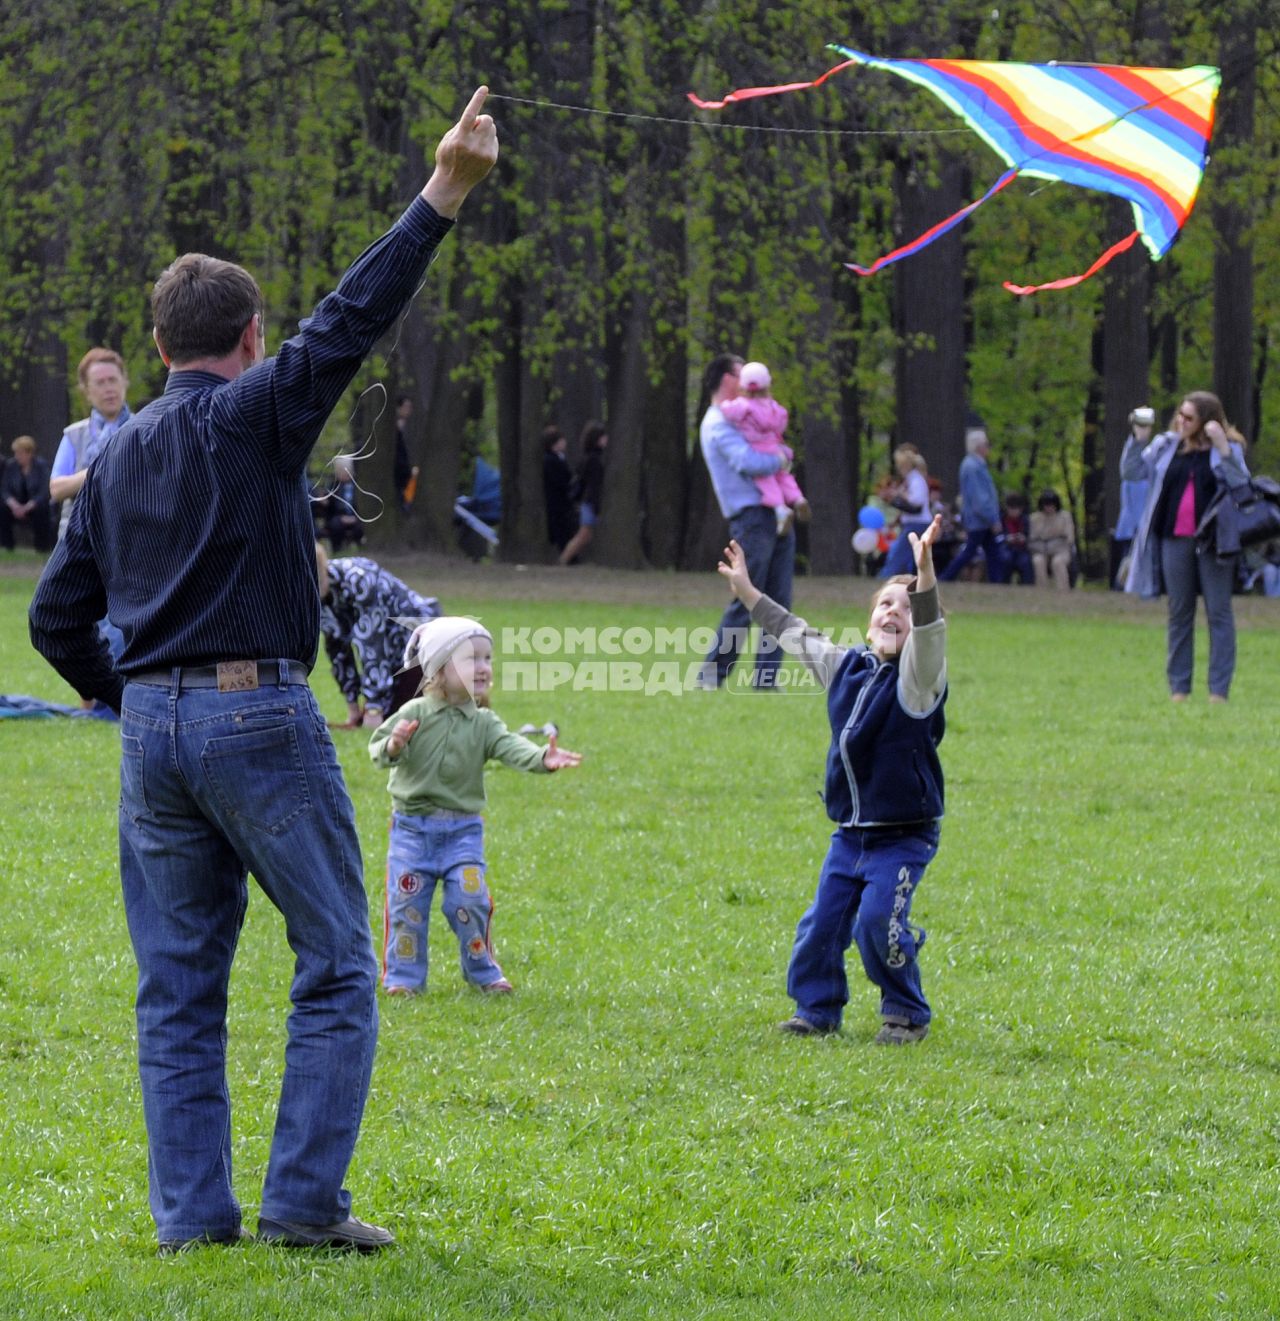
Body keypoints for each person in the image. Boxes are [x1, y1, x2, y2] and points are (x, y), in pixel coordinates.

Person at [28, 85, 498, 1255]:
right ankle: (300, 1205)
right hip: (257, 716)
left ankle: (193, 1223)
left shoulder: (118, 452)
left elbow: (54, 614)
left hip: (152, 737)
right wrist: (445, 187)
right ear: (247, 344)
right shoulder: (255, 418)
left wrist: (119, 689)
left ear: (155, 347)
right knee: (338, 955)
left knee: (176, 988)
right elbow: (352, 316)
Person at [717, 515, 947, 1043]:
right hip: (849, 835)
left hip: (903, 836)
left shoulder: (918, 683)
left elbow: (931, 638)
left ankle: (905, 1011)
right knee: (820, 929)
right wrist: (750, 592)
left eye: (907, 609)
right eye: (886, 603)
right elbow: (796, 635)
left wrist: (925, 577)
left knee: (877, 925)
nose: (895, 611)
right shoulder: (846, 667)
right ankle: (817, 1010)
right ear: (869, 621)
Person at [369, 617, 581, 995]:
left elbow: (510, 746)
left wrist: (539, 759)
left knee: (470, 902)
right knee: (407, 906)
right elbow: (378, 749)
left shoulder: (483, 722)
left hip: (462, 833)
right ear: (438, 668)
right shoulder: (414, 714)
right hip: (412, 831)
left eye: (487, 658)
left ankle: (483, 971)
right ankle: (403, 979)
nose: (483, 667)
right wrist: (394, 746)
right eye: (471, 659)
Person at [1123, 390, 1250, 702]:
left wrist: (1222, 447)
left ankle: (1218, 691)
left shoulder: (1227, 448)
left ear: (1207, 421)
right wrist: (1139, 439)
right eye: (1180, 414)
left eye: (1189, 417)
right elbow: (1132, 471)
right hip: (1173, 539)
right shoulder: (1167, 446)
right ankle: (1179, 689)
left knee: (1218, 613)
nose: (1181, 421)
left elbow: (1242, 487)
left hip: (1214, 542)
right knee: (1179, 612)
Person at [698, 353, 793, 687]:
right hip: (752, 518)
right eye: (741, 374)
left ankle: (766, 678)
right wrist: (781, 457)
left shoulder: (742, 419)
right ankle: (711, 674)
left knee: (778, 600)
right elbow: (748, 461)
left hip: (774, 513)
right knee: (745, 599)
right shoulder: (717, 422)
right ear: (727, 380)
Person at [317, 543, 441, 728]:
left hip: (422, 645)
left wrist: (374, 709)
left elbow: (373, 644)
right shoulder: (314, 598)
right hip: (391, 656)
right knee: (381, 721)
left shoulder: (358, 579)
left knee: (405, 720)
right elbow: (337, 649)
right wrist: (353, 708)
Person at [718, 361, 810, 537]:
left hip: (758, 448)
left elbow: (728, 412)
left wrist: (723, 404)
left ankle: (780, 508)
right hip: (775, 447)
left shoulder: (743, 404)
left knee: (766, 481)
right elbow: (781, 423)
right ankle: (798, 499)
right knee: (784, 477)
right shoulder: (773, 406)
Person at [48, 348, 132, 541]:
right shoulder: (74, 434)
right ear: (86, 390)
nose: (109, 388)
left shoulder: (145, 428)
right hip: (78, 539)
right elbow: (57, 489)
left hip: (130, 537)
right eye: (100, 383)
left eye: (113, 380)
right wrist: (100, 470)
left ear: (124, 381)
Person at [939, 428, 1007, 583]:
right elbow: (979, 498)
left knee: (991, 551)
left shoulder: (975, 465)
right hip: (979, 519)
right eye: (986, 444)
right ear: (978, 446)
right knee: (970, 551)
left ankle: (997, 582)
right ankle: (945, 577)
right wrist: (992, 519)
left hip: (980, 518)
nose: (988, 448)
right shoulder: (973, 467)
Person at [1113, 405, 1155, 588]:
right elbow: (1129, 470)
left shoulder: (1153, 457)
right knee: (1128, 563)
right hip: (1133, 525)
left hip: (1150, 525)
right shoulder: (1133, 464)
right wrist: (1139, 439)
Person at [558, 421, 607, 566]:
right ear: (597, 439)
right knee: (583, 535)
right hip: (589, 502)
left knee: (586, 535)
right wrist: (595, 506)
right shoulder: (594, 460)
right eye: (603, 437)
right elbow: (593, 487)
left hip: (587, 501)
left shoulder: (588, 458)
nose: (606, 440)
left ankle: (569, 559)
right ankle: (564, 560)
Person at [880, 445, 932, 578]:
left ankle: (885, 577)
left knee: (898, 555)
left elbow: (917, 502)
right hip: (912, 523)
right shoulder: (911, 480)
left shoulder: (916, 480)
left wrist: (900, 496)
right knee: (904, 556)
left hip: (917, 523)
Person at [1, 435, 55, 552]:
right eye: (15, 453)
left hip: (34, 505)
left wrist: (28, 506)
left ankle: (41, 547)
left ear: (29, 453)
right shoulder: (11, 466)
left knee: (42, 509)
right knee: (2, 508)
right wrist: (14, 505)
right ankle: (7, 546)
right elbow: (4, 489)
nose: (17, 456)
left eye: (20, 453)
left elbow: (44, 491)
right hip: (16, 505)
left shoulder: (41, 467)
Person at [1028, 489, 1075, 590]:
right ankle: (1042, 590)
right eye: (1046, 505)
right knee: (1038, 561)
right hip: (1041, 550)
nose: (1049, 508)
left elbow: (1069, 538)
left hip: (1061, 550)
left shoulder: (1065, 516)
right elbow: (1032, 538)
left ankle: (1063, 590)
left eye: (1051, 504)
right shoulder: (1035, 518)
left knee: (1058, 562)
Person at [541, 425, 576, 552]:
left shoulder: (559, 458)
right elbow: (559, 480)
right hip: (556, 501)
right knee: (561, 529)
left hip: (563, 501)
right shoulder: (550, 460)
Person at [324, 455, 365, 552]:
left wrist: (354, 517)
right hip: (338, 517)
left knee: (360, 527)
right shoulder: (333, 485)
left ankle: (360, 547)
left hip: (356, 516)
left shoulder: (358, 485)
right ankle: (337, 549)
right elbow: (330, 505)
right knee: (335, 525)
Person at [1000, 491, 1034, 585]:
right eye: (1011, 508)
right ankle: (1003, 585)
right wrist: (1006, 538)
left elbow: (1030, 536)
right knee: (1005, 559)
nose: (1014, 511)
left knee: (1025, 562)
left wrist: (1024, 538)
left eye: (1016, 509)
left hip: (1022, 549)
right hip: (1006, 548)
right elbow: (996, 537)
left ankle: (1027, 586)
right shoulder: (1001, 519)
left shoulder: (1025, 520)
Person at [393, 394, 419, 513]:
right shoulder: (394, 429)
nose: (408, 410)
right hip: (398, 472)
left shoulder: (409, 427)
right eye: (406, 406)